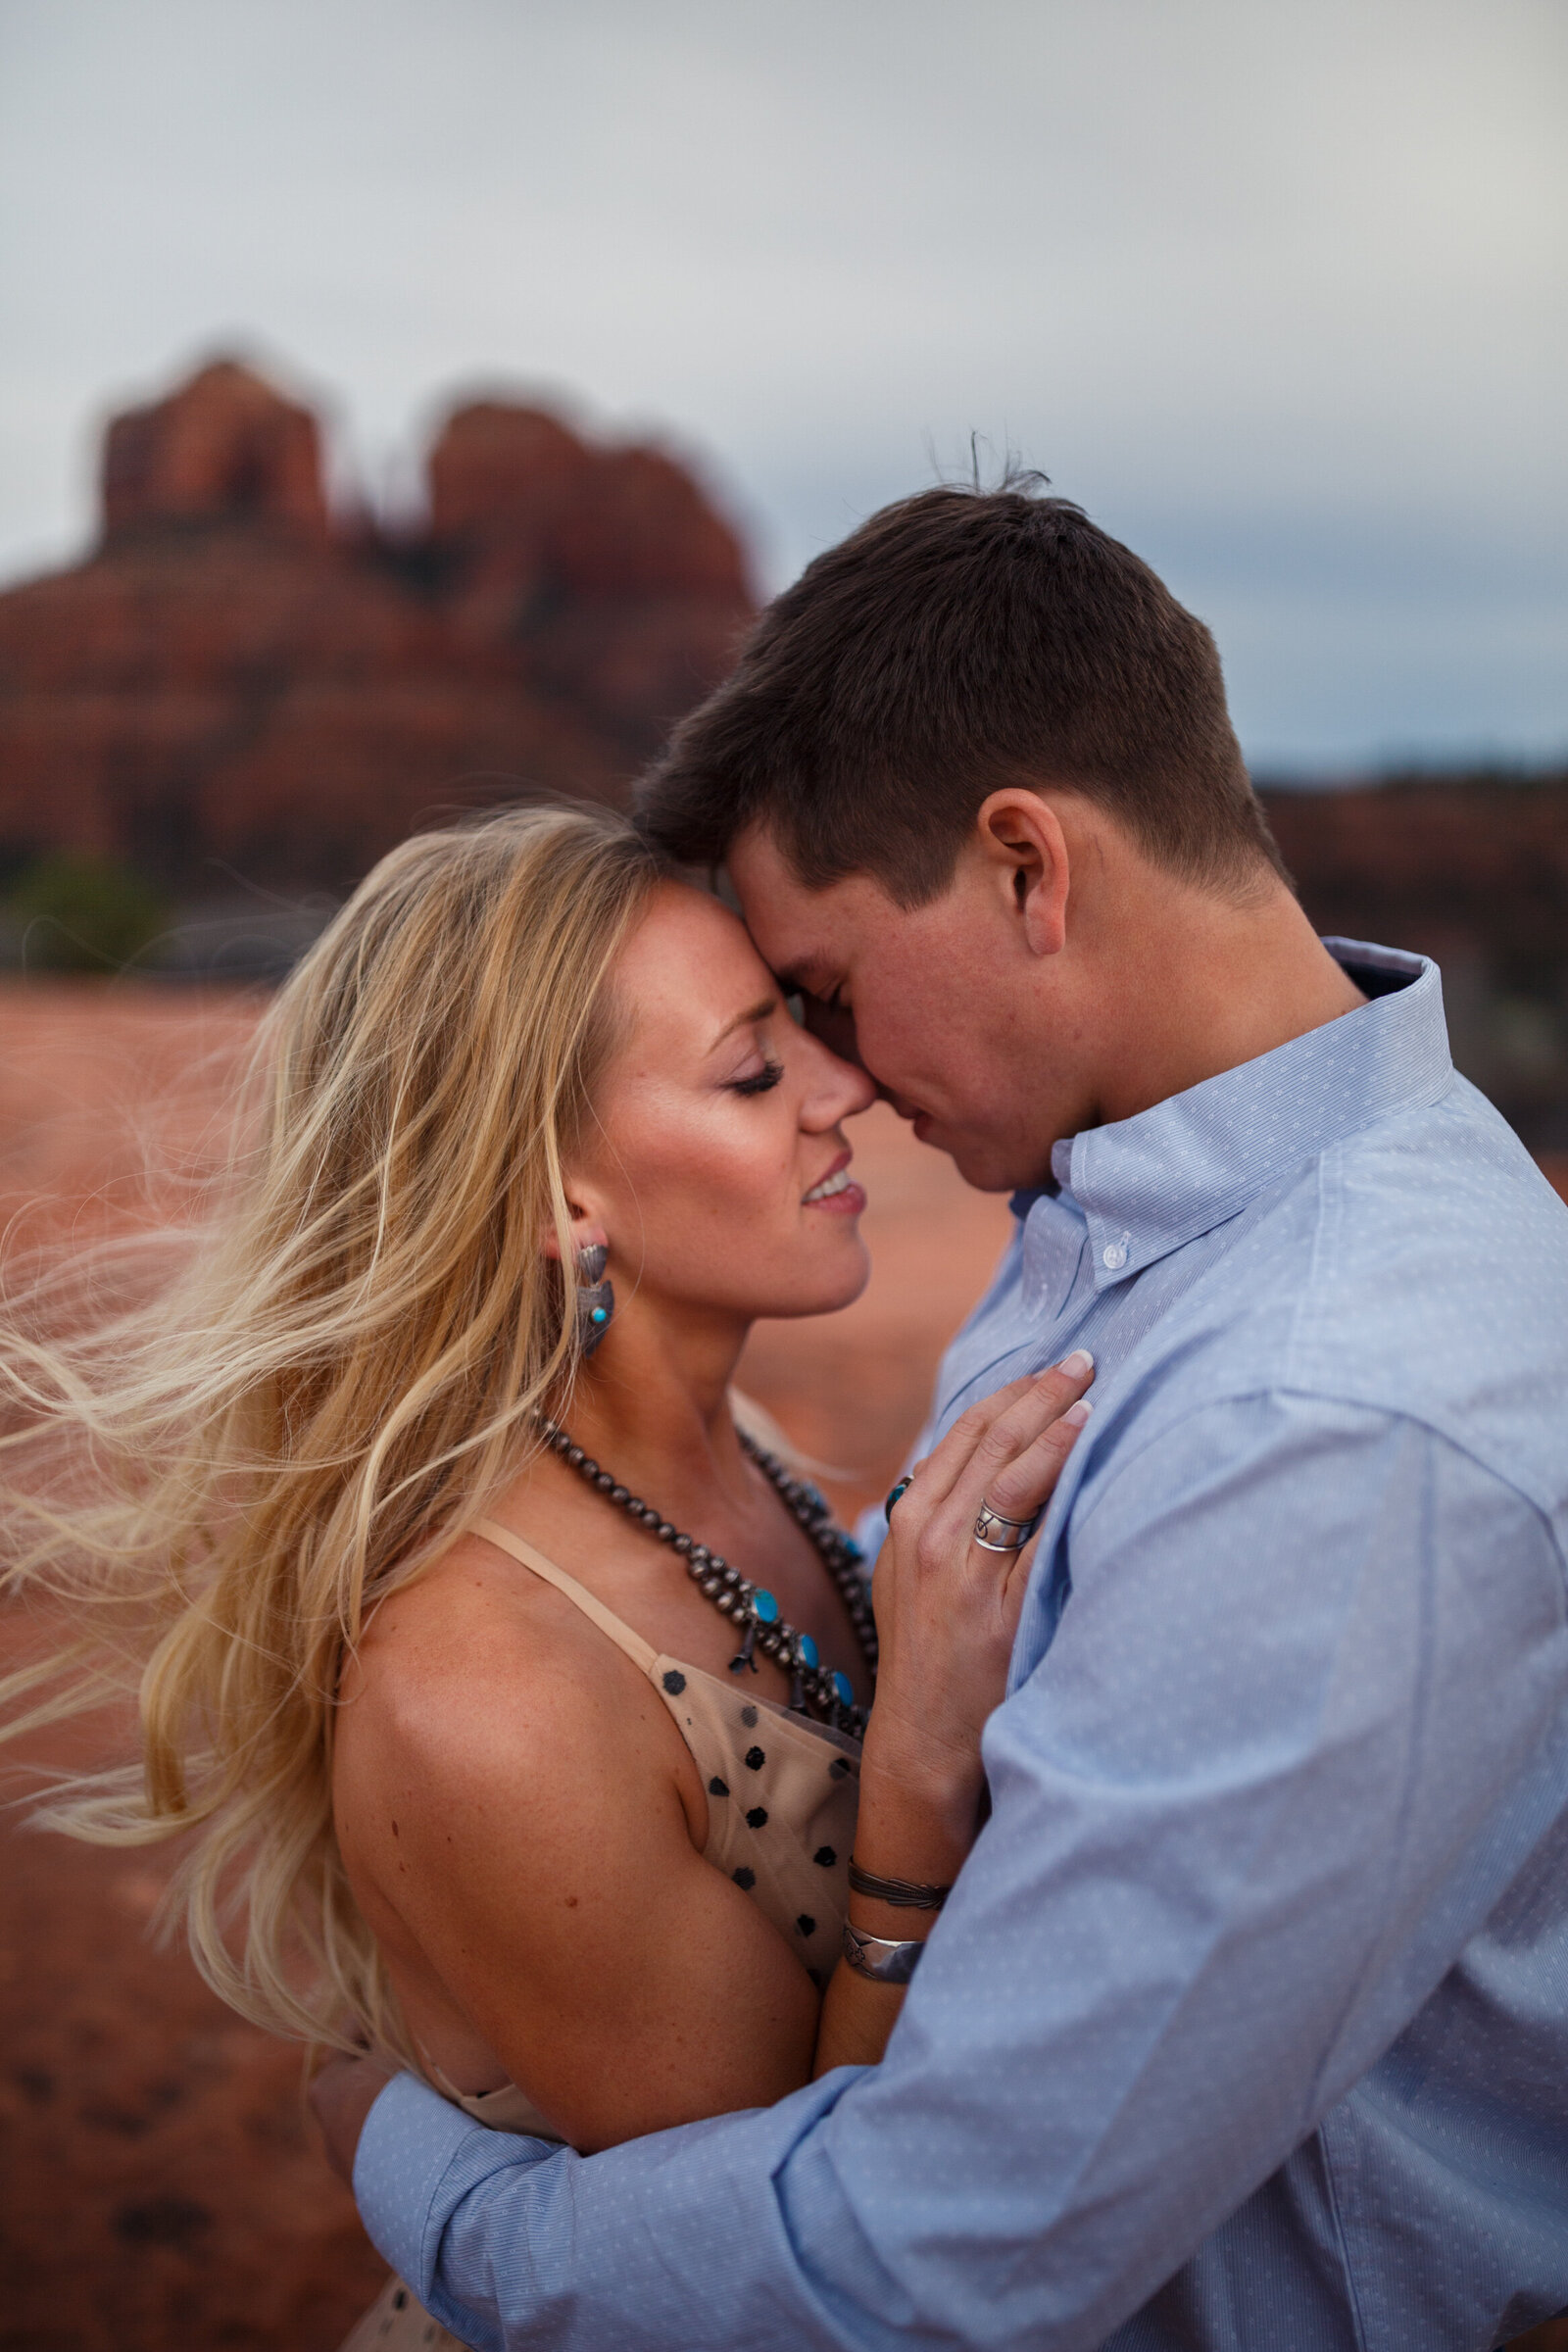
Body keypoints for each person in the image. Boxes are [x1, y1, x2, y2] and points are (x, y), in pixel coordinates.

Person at [318, 484, 1568, 2351]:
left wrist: (429, 2189)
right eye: (766, 1043)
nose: (843, 1082)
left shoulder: (1326, 1426)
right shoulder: (1132, 1212)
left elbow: (935, 2263)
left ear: (1025, 870)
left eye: (822, 993)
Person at [0, 800, 1093, 2352]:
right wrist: (917, 1774)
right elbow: (788, 2273)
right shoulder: (486, 1694)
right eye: (750, 1067)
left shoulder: (737, 1453)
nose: (843, 1090)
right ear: (555, 1196)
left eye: (806, 1030)